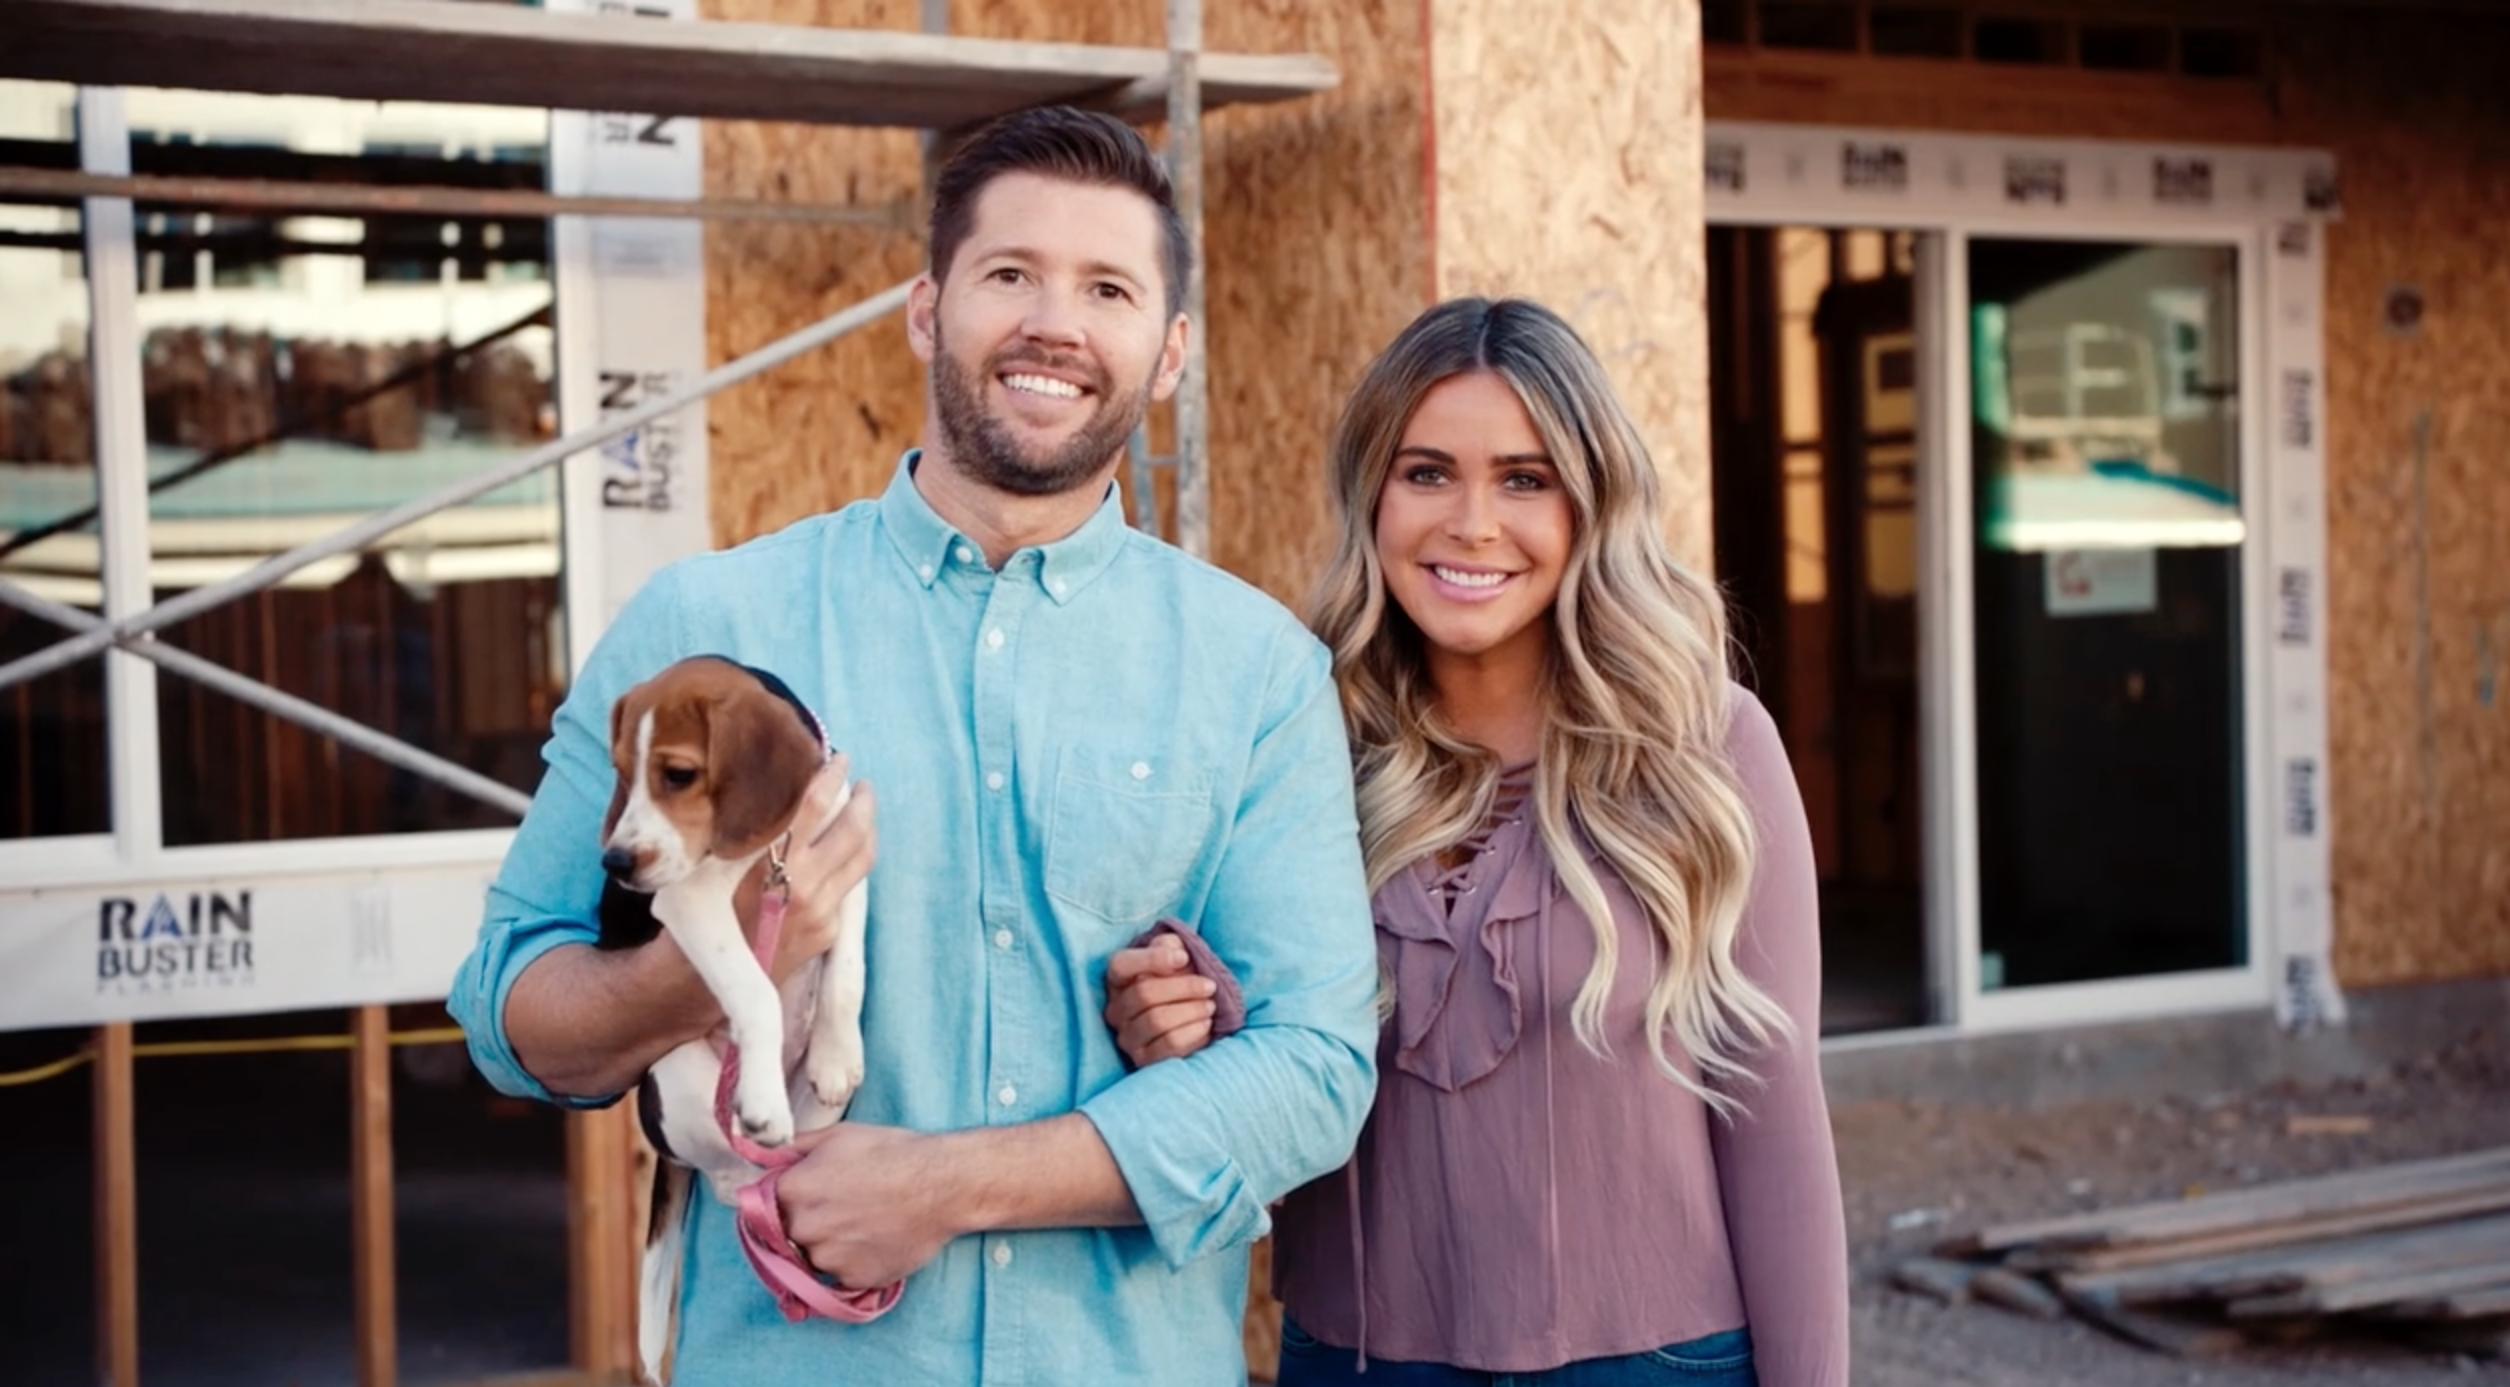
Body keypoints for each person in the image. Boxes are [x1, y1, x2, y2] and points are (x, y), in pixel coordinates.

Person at [449, 105, 1381, 1387]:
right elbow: (512, 1012)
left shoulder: (1257, 670)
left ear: (1168, 354)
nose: (1053, 322)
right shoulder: (704, 629)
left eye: (1106, 287)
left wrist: (943, 1186)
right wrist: (727, 954)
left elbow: (1316, 1072)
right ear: (924, 309)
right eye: (1009, 274)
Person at [1104, 298, 1851, 1386]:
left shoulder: (1708, 747)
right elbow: (1264, 1089)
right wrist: (1173, 1025)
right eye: (1424, 472)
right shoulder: (1294, 744)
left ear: (1588, 503)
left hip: (1659, 1362)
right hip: (1357, 1360)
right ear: (1372, 494)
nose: (1470, 523)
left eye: (1522, 477)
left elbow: (1774, 1114)